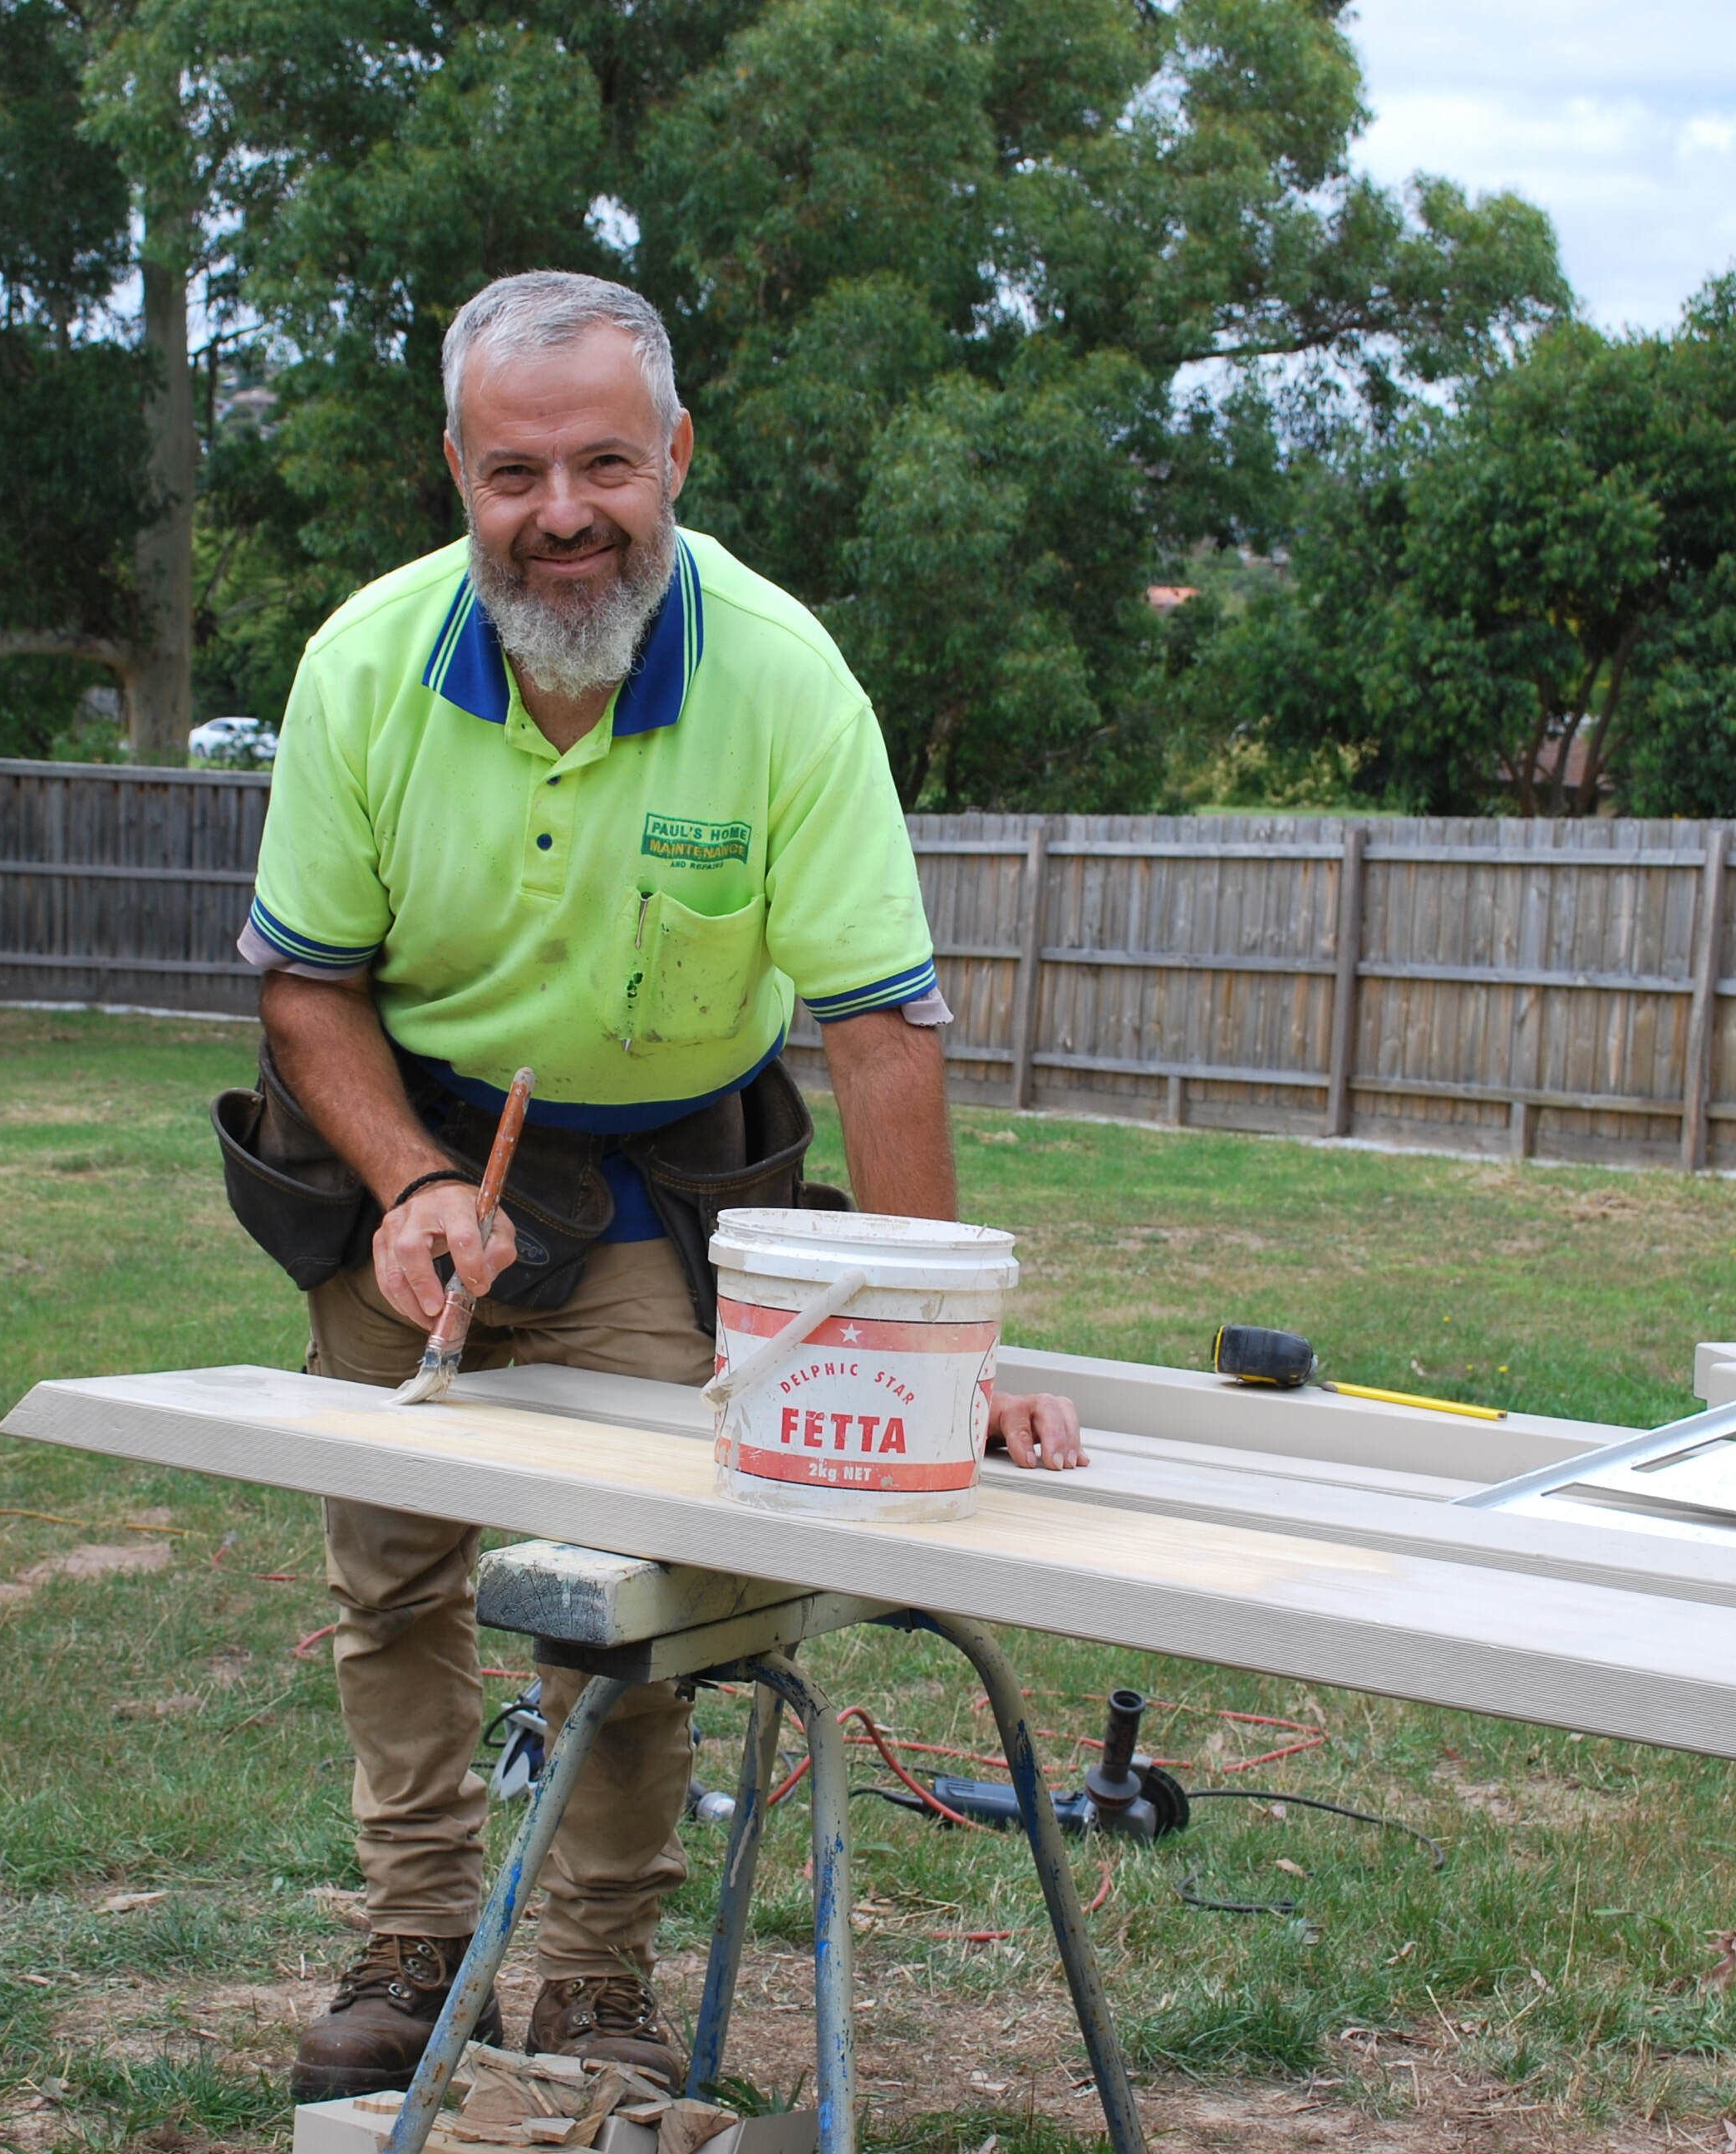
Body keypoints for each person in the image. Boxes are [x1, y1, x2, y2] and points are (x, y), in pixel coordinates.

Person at [214, 270, 1086, 2101]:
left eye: (605, 462)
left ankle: (596, 1982)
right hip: (409, 1141)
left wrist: (945, 1351)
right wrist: (408, 1182)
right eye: (514, 473)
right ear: (455, 469)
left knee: (621, 1590)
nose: (563, 516)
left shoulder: (783, 681)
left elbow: (878, 1028)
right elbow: (306, 980)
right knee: (393, 1568)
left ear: (675, 454)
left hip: (656, 1171)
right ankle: (414, 1934)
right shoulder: (362, 664)